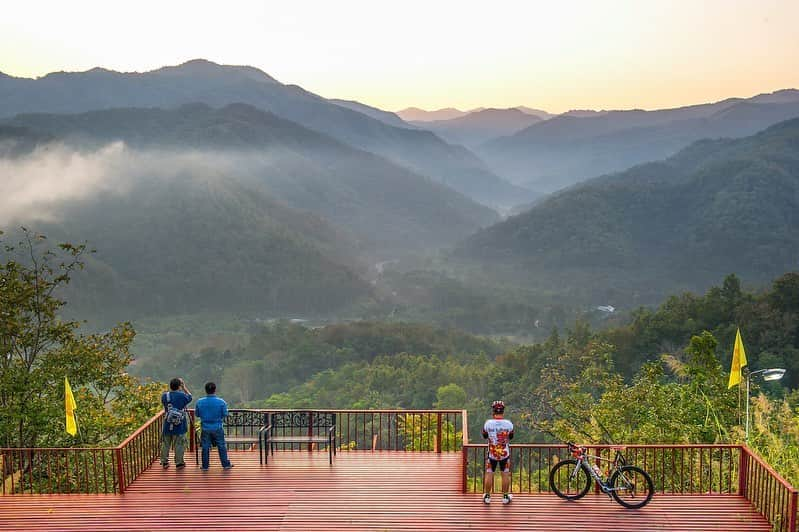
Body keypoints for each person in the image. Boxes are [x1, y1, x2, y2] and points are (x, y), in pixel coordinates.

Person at [194, 382, 233, 471]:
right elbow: (225, 414)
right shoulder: (221, 402)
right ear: (215, 390)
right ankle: (225, 464)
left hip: (205, 427)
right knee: (221, 445)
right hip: (217, 427)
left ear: (206, 390)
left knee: (205, 446)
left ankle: (205, 466)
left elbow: (197, 414)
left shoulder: (200, 402)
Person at [482, 399, 514, 504]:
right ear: (503, 411)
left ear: (493, 411)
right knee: (505, 474)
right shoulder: (509, 424)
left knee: (489, 473)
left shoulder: (488, 423)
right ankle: (505, 497)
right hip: (505, 454)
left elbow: (485, 435)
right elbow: (511, 436)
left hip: (492, 454)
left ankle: (487, 496)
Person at [160, 377, 192, 469]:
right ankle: (179, 463)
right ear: (179, 386)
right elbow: (190, 396)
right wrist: (184, 387)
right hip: (179, 424)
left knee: (166, 443)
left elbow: (164, 404)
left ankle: (164, 461)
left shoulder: (165, 396)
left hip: (167, 422)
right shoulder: (182, 395)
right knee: (179, 443)